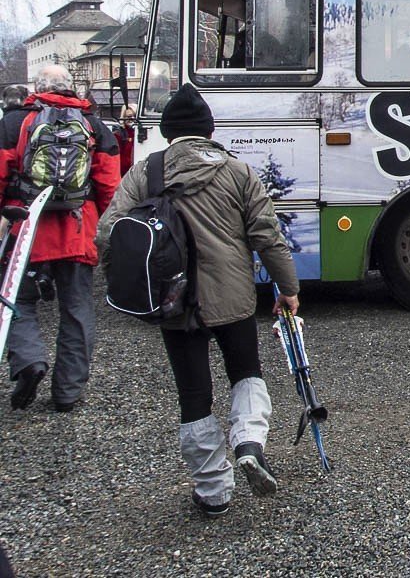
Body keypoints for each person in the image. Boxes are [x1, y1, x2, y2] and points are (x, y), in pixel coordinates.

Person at [95, 84, 300, 517]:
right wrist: (288, 288)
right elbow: (268, 237)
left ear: (169, 132)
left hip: (174, 301)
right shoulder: (238, 171)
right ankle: (249, 443)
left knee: (193, 393)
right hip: (233, 297)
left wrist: (122, 278)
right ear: (208, 130)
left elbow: (107, 231)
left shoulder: (146, 172)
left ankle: (212, 492)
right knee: (246, 372)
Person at [1, 65, 121, 413]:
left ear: (35, 89)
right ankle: (67, 392)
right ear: (73, 88)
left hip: (26, 229)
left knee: (17, 300)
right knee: (77, 310)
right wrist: (103, 232)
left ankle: (29, 360)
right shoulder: (95, 126)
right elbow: (109, 187)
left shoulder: (14, 123)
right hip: (77, 230)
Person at [114, 105, 137, 177]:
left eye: (135, 116)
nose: (132, 119)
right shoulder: (119, 134)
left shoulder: (142, 132)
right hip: (124, 173)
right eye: (129, 116)